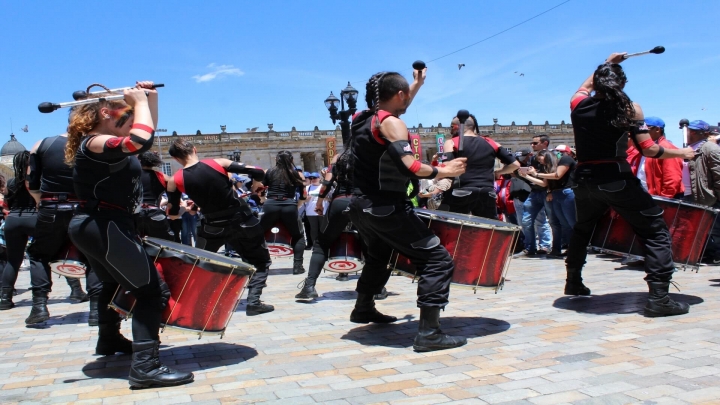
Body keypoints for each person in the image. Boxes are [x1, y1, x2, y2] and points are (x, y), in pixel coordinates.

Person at [67, 82, 193, 387]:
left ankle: (108, 339)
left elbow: (146, 132)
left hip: (99, 225)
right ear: (104, 113)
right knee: (152, 293)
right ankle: (145, 368)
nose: (128, 118)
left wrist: (150, 98)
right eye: (122, 114)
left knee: (111, 284)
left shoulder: (102, 141)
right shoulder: (94, 142)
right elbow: (140, 141)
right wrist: (137, 102)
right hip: (104, 224)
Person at [348, 68, 469, 352]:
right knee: (437, 260)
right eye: (406, 96)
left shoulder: (361, 119)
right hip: (385, 207)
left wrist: (416, 84)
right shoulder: (393, 125)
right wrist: (444, 170)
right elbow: (412, 167)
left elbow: (393, 109)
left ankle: (363, 307)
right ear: (398, 96)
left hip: (360, 206)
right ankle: (429, 333)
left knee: (379, 255)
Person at [566, 53, 695, 317]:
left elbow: (584, 87)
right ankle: (659, 298)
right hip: (615, 177)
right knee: (656, 231)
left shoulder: (578, 106)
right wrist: (681, 154)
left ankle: (573, 281)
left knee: (582, 229)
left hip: (583, 179)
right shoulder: (629, 108)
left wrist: (608, 62)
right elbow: (648, 149)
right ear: (621, 85)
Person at [168, 140, 274, 316]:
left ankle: (190, 304)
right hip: (242, 220)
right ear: (195, 149)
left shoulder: (175, 180)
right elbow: (257, 171)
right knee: (260, 261)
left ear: (175, 158)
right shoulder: (217, 163)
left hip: (212, 225)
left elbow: (172, 212)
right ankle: (254, 301)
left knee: (199, 262)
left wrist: (190, 208)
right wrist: (256, 185)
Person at [24, 132, 105, 325]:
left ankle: (39, 306)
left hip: (51, 206)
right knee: (93, 256)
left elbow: (32, 182)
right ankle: (96, 309)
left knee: (39, 254)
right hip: (84, 207)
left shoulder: (42, 143)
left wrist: (39, 203)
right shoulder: (96, 144)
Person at [442, 113, 519, 219]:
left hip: (461, 190)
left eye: (451, 127)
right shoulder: (492, 143)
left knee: (452, 227)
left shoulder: (451, 142)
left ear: (457, 127)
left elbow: (447, 167)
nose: (450, 130)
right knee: (488, 228)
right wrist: (498, 172)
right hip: (487, 191)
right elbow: (515, 164)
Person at [0, 152, 46, 319]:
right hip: (33, 218)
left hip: (13, 220)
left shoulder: (11, 183)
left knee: (13, 260)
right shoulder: (36, 180)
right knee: (43, 256)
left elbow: (7, 204)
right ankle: (75, 290)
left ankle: (5, 298)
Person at [260, 151, 307, 274]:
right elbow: (303, 195)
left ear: (276, 159)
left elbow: (260, 189)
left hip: (271, 204)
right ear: (291, 160)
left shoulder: (269, 172)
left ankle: (262, 265)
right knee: (298, 236)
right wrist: (297, 206)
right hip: (289, 205)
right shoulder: (296, 174)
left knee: (259, 234)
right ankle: (298, 266)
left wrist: (263, 200)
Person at [680, 120, 720, 264]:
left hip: (705, 195)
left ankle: (715, 255)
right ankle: (704, 253)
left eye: (693, 131)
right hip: (689, 194)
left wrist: (716, 196)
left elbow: (718, 174)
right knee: (697, 227)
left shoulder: (710, 149)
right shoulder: (687, 148)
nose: (689, 133)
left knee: (712, 228)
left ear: (702, 133)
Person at [626, 117, 684, 198]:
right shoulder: (639, 150)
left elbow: (672, 179)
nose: (640, 133)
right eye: (639, 130)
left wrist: (663, 201)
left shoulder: (667, 148)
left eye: (644, 130)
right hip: (642, 197)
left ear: (657, 130)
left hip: (660, 200)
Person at [135, 151, 180, 240]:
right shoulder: (162, 176)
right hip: (155, 214)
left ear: (139, 160)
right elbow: (175, 192)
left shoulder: (132, 175)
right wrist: (173, 211)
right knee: (166, 243)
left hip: (136, 214)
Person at [521, 137, 554, 255]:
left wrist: (532, 175)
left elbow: (549, 179)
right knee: (526, 220)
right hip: (534, 191)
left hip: (547, 192)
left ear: (545, 143)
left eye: (535, 143)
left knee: (550, 221)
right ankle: (530, 247)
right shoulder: (532, 159)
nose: (532, 145)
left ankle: (546, 246)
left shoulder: (553, 157)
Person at [303, 172, 327, 248]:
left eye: (315, 178)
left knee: (322, 229)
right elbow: (303, 200)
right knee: (314, 229)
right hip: (310, 212)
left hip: (322, 211)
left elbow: (329, 198)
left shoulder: (322, 187)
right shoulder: (307, 188)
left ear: (319, 178)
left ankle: (323, 244)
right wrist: (306, 199)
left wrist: (326, 198)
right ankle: (315, 245)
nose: (313, 180)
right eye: (311, 178)